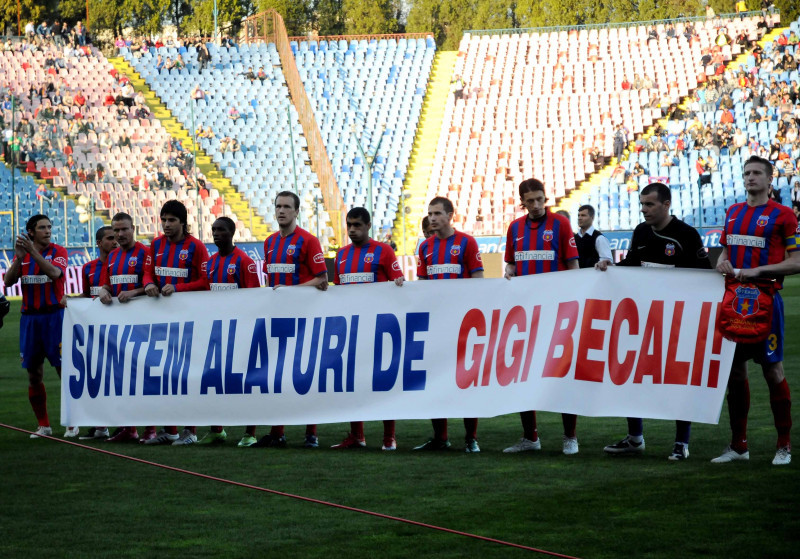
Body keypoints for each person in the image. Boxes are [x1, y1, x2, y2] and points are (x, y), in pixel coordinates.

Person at [597, 183, 711, 460]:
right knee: (631, 375)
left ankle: (681, 443)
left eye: (650, 204)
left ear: (666, 204)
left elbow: (705, 277)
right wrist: (611, 269)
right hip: (642, 320)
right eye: (642, 204)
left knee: (678, 381)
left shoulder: (686, 235)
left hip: (676, 323)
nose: (644, 209)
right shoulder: (641, 232)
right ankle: (635, 438)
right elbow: (633, 264)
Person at [712, 156, 800, 466]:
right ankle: (739, 445)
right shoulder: (733, 212)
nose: (750, 178)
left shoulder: (784, 215)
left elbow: (797, 261)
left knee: (772, 369)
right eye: (746, 173)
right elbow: (726, 249)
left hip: (765, 301)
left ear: (769, 179)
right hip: (734, 302)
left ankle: (784, 445)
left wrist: (757, 271)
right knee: (735, 372)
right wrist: (723, 261)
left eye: (756, 173)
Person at [503, 180, 580, 455]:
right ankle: (530, 437)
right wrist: (510, 271)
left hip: (557, 312)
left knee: (561, 374)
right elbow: (511, 263)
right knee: (523, 374)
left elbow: (573, 266)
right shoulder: (514, 228)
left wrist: (572, 304)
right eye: (530, 201)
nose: (536, 205)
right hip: (526, 314)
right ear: (522, 202)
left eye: (540, 199)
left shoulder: (560, 224)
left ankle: (570, 436)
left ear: (546, 198)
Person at [251, 191, 328, 449]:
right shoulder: (270, 242)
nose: (281, 211)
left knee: (306, 374)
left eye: (287, 207)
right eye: (278, 206)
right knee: (276, 376)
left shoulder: (309, 240)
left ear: (297, 212)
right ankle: (278, 433)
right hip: (278, 319)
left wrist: (292, 293)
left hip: (305, 318)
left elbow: (322, 279)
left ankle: (311, 434)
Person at [330, 207, 404, 451]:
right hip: (352, 329)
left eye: (357, 225)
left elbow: (398, 283)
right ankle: (357, 435)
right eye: (349, 225)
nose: (352, 229)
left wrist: (398, 284)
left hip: (380, 327)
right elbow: (338, 292)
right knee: (352, 381)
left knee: (383, 381)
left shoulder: (383, 251)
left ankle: (389, 436)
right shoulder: (341, 255)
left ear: (368, 225)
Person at [414, 196, 484, 453]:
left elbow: (478, 281)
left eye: (437, 213)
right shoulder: (424, 247)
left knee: (466, 381)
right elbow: (422, 285)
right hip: (437, 324)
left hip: (463, 324)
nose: (432, 218)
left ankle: (471, 438)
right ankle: (441, 438)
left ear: (450, 215)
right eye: (429, 213)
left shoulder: (467, 242)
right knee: (435, 380)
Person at [142, 201, 210, 445]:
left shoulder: (197, 247)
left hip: (188, 320)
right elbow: (148, 271)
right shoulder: (156, 245)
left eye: (172, 220)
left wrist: (179, 288)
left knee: (185, 375)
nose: (167, 225)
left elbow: (206, 282)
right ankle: (169, 430)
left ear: (183, 222)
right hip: (161, 319)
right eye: (164, 220)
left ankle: (190, 431)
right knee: (162, 373)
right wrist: (149, 283)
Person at [3, 215, 72, 438]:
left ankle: (72, 422)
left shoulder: (59, 251)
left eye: (49, 227)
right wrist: (18, 259)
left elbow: (54, 274)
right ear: (31, 232)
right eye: (42, 227)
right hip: (30, 319)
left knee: (65, 371)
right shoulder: (22, 256)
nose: (48, 230)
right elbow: (8, 282)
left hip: (55, 317)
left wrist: (32, 253)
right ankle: (44, 426)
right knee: (34, 375)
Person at [200, 216, 260, 446]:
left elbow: (255, 298)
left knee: (245, 381)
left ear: (232, 233)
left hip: (241, 331)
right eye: (213, 230)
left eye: (221, 230)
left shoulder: (244, 261)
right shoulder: (212, 262)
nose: (216, 234)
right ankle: (217, 429)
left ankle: (250, 432)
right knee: (214, 379)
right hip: (217, 331)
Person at [96, 212, 151, 442]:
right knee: (123, 376)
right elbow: (106, 284)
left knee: (146, 375)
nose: (120, 234)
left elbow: (152, 283)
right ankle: (129, 428)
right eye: (116, 230)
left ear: (133, 228)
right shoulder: (113, 256)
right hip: (120, 325)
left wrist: (135, 292)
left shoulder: (146, 252)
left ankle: (150, 429)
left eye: (124, 229)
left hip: (144, 323)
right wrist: (104, 291)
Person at [70, 226, 117, 440]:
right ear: (99, 243)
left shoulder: (121, 263)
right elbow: (87, 295)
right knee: (96, 376)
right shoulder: (88, 268)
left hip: (119, 329)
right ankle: (101, 427)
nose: (115, 241)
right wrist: (71, 302)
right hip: (95, 330)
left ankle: (126, 425)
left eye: (117, 238)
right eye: (110, 238)